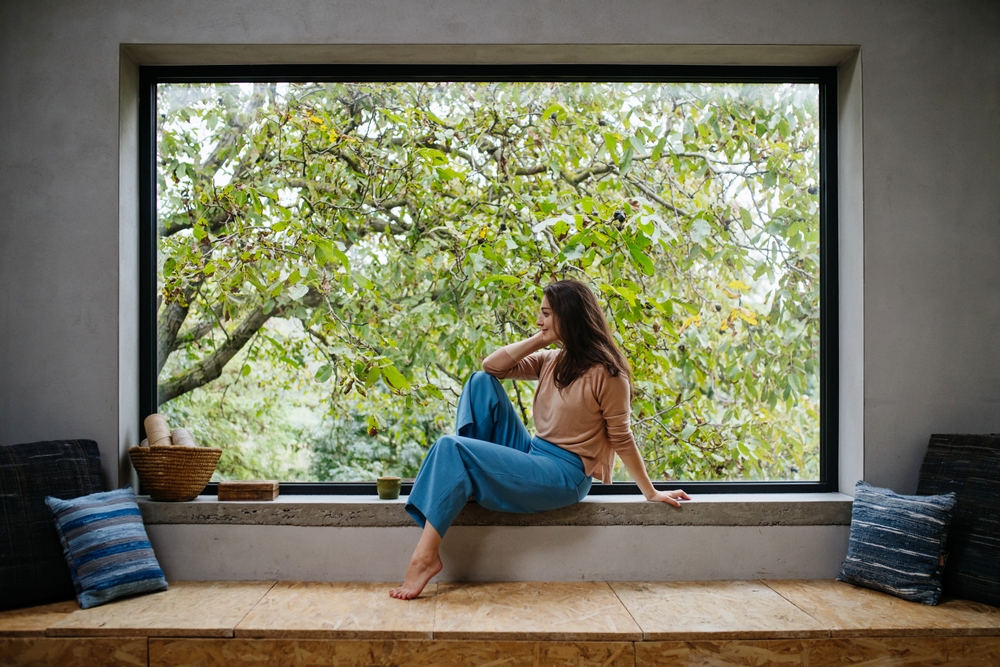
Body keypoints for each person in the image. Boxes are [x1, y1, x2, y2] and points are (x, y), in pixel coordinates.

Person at [389, 279, 690, 600]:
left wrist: (650, 492)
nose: (538, 320)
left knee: (451, 448)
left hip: (565, 475)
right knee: (480, 383)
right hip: (534, 453)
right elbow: (491, 367)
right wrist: (541, 338)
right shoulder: (552, 360)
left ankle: (426, 556)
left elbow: (622, 438)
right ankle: (466, 485)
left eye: (546, 314)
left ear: (568, 316)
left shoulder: (609, 374)